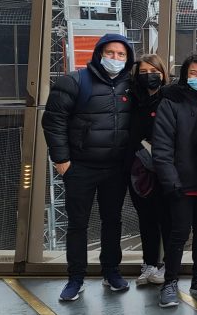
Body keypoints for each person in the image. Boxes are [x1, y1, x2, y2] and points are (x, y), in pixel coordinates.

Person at [43, 33, 135, 301]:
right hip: (80, 166)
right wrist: (61, 160)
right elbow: (54, 121)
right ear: (98, 54)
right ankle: (76, 277)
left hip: (116, 168)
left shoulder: (131, 85)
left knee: (112, 221)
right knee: (77, 224)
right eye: (110, 53)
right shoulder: (74, 81)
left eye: (121, 55)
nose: (115, 59)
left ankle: (111, 271)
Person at [154, 54, 197, 308]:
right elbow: (161, 148)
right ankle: (170, 281)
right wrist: (171, 181)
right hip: (181, 183)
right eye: (193, 74)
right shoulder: (171, 103)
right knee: (178, 234)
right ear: (184, 76)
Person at [129, 54, 171, 287]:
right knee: (146, 218)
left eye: (153, 72)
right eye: (143, 72)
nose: (149, 77)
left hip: (165, 167)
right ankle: (149, 263)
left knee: (167, 218)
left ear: (163, 73)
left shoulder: (170, 98)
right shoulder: (132, 99)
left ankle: (166, 265)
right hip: (139, 168)